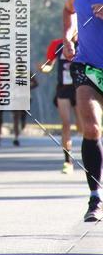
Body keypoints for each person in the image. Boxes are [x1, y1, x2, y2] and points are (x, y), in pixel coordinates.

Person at [63, 0, 103, 222]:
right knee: (91, 129)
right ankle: (95, 197)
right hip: (86, 65)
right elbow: (68, 11)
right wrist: (67, 35)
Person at [39, 37, 81, 173]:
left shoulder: (85, 41)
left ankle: (92, 155)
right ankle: (68, 161)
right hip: (63, 89)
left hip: (81, 88)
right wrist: (44, 68)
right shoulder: (57, 44)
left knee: (83, 127)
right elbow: (49, 65)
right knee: (66, 123)